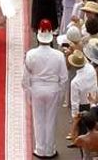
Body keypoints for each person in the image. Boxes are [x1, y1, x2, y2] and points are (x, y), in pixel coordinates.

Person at [23, 21, 67, 160]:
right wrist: (61, 94)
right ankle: (50, 149)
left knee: (39, 119)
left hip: (37, 88)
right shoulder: (59, 55)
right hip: (53, 89)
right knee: (51, 119)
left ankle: (40, 148)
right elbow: (64, 78)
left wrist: (28, 92)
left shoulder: (31, 54)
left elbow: (26, 77)